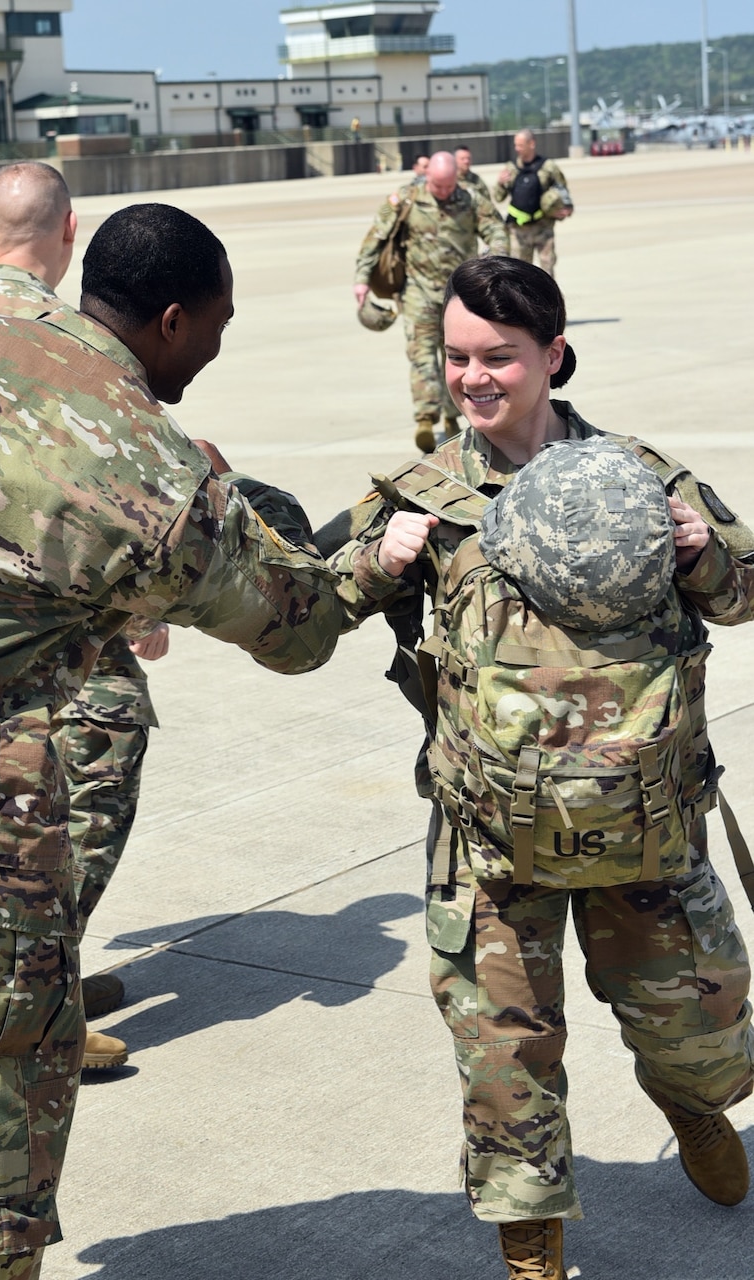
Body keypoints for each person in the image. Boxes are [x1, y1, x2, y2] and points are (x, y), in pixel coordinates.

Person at [0, 201, 426, 1280]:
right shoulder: (151, 459)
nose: (214, 346)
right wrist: (373, 562)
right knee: (4, 1083)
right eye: (216, 325)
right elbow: (295, 631)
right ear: (168, 319)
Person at [323, 255, 754, 1280]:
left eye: (499, 357)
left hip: (643, 826)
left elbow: (746, 593)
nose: (474, 377)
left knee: (714, 1040)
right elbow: (299, 621)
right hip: (491, 844)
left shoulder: (643, 478)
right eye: (457, 356)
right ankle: (533, 1234)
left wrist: (700, 553)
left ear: (552, 356)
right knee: (505, 1063)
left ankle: (687, 1098)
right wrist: (376, 562)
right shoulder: (417, 496)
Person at [0, 160, 168, 1071]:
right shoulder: (77, 344)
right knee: (100, 769)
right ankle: (34, 1005)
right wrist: (143, 607)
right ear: (71, 235)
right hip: (54, 608)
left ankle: (51, 974)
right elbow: (117, 492)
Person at [353, 150, 508, 455]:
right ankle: (426, 417)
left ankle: (452, 416)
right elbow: (376, 237)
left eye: (449, 186)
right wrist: (362, 278)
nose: (444, 192)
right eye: (438, 186)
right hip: (418, 292)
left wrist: (497, 259)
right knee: (421, 355)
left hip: (461, 296)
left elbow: (496, 229)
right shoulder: (406, 198)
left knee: (457, 358)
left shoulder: (471, 198)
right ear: (427, 178)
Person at [492, 128, 573, 276]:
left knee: (547, 271)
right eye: (516, 145)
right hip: (518, 231)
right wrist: (500, 183)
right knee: (519, 273)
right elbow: (498, 197)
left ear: (532, 144)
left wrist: (566, 209)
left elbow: (563, 191)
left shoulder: (548, 167)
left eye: (521, 145)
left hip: (543, 227)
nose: (517, 149)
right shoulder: (511, 169)